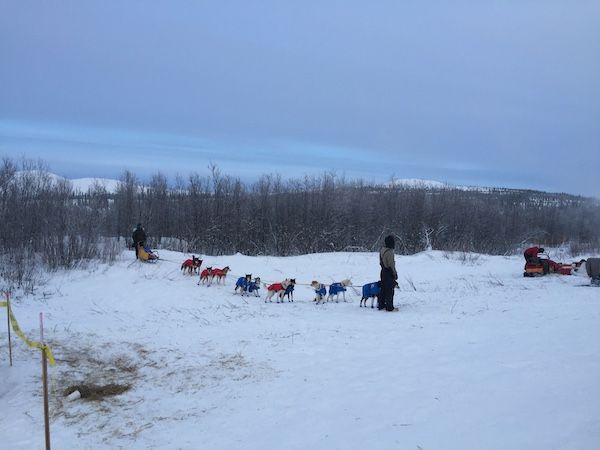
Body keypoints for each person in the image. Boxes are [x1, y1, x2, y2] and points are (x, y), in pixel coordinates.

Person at [379, 235, 398, 312]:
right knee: (390, 290)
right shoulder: (390, 252)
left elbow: (381, 262)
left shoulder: (382, 250)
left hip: (383, 271)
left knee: (383, 289)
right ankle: (390, 307)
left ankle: (381, 305)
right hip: (388, 272)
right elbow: (391, 264)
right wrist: (395, 274)